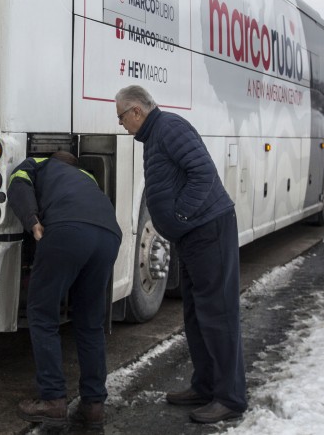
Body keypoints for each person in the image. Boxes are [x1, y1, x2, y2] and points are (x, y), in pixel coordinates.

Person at [115, 85, 247, 424]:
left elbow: (203, 174)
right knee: (195, 314)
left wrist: (181, 216)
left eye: (121, 117)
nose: (121, 125)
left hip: (208, 230)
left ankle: (230, 398)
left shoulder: (170, 128)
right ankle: (204, 386)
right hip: (192, 237)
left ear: (136, 112)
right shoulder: (155, 134)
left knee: (218, 314)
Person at [9, 150, 123, 432]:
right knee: (89, 322)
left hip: (66, 230)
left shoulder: (39, 164)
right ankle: (93, 407)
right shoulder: (88, 178)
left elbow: (18, 184)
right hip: (109, 236)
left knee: (42, 313)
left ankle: (53, 400)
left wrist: (32, 221)